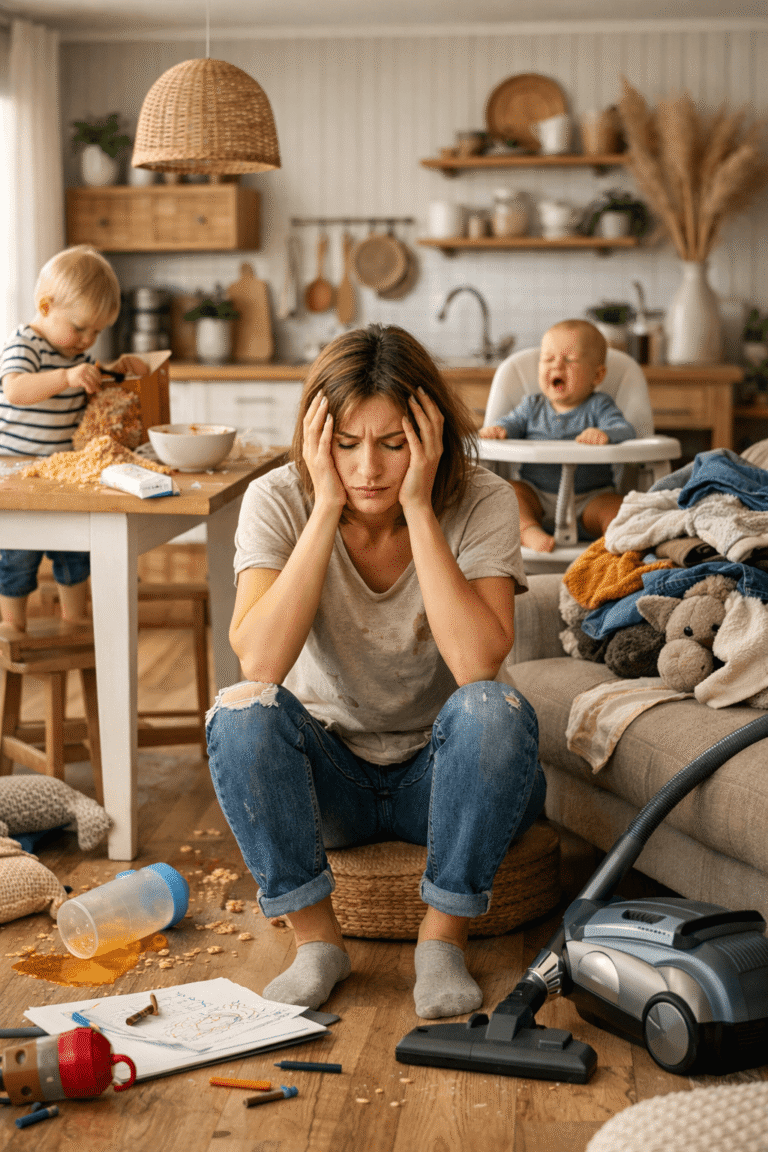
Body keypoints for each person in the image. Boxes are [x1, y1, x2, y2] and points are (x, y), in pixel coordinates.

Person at [206, 323, 546, 1019]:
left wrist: (419, 507)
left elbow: (480, 662)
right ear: (314, 437)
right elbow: (260, 662)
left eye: (394, 444)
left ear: (431, 437)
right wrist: (325, 506)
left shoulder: (482, 499)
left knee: (494, 708)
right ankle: (317, 944)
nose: (368, 469)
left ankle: (441, 941)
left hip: (444, 774)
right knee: (240, 708)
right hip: (331, 780)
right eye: (347, 444)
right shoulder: (278, 497)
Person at [0, 245, 146, 630]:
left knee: (74, 552)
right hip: (17, 475)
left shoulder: (74, 356)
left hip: (61, 472)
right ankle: (12, 626)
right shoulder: (24, 345)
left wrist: (112, 370)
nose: (86, 340)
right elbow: (15, 390)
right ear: (45, 307)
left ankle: (75, 620)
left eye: (97, 332)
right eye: (80, 327)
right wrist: (65, 377)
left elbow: (88, 382)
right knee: (16, 555)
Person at [479, 319, 636, 553]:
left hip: (590, 500)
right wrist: (499, 429)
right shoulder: (532, 406)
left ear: (597, 375)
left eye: (570, 359)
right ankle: (529, 531)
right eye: (548, 359)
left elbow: (625, 430)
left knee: (621, 508)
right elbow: (511, 423)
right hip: (536, 496)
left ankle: (610, 547)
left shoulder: (599, 406)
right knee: (509, 494)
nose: (557, 366)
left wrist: (605, 433)